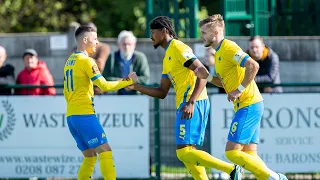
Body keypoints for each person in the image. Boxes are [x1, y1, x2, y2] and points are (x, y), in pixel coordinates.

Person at [128, 16, 242, 180]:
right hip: (184, 104)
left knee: (183, 152)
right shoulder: (167, 56)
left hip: (193, 103)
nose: (151, 36)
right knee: (189, 155)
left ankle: (231, 169)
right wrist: (136, 86)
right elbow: (162, 92)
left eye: (153, 32)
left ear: (164, 31)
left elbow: (202, 74)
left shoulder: (179, 48)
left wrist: (191, 102)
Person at [194, 14, 288, 180]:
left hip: (249, 104)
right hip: (249, 104)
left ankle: (277, 178)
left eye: (203, 32)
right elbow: (225, 83)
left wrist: (239, 90)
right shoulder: (218, 53)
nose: (201, 36)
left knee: (231, 152)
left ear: (215, 33)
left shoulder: (229, 47)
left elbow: (254, 65)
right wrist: (207, 76)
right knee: (250, 155)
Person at [64, 25, 138, 180]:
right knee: (106, 151)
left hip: (71, 116)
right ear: (85, 40)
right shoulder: (87, 61)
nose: (97, 43)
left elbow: (66, 92)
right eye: (95, 38)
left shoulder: (69, 61)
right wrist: (127, 81)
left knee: (90, 157)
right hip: (84, 115)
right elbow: (103, 85)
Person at [102, 30, 150, 95]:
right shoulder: (112, 57)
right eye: (124, 44)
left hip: (136, 96)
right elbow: (105, 77)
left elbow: (145, 77)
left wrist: (129, 82)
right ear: (119, 45)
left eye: (129, 44)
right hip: (115, 96)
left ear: (134, 45)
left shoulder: (140, 57)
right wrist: (122, 82)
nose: (127, 47)